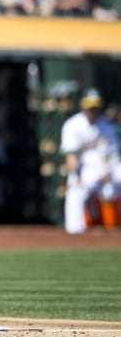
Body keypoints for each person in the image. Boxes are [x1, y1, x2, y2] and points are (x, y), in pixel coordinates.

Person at [60, 88, 121, 234]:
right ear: (82, 106)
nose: (92, 110)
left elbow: (112, 153)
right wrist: (76, 176)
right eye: (89, 107)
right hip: (85, 170)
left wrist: (107, 170)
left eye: (95, 107)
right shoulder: (72, 125)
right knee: (75, 190)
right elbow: (71, 156)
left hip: (107, 167)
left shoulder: (107, 126)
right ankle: (75, 233)